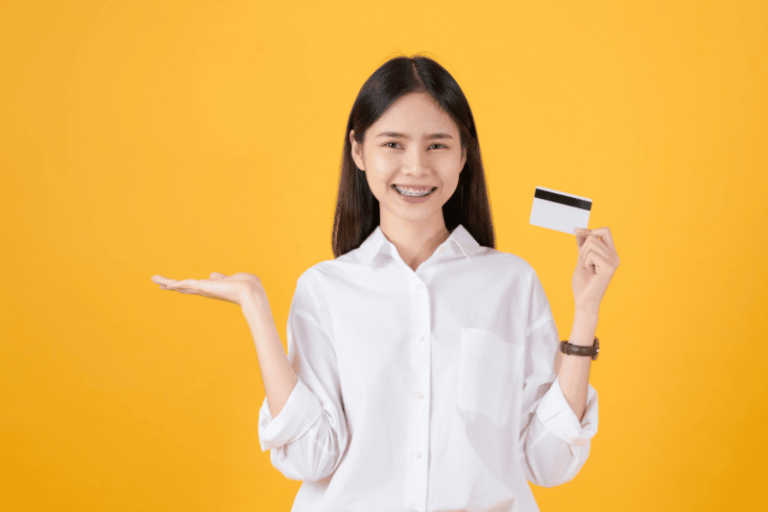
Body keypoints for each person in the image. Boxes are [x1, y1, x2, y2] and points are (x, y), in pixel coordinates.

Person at [151, 55, 620, 512]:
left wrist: (586, 313)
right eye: (392, 144)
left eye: (437, 145)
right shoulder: (325, 289)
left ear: (464, 154)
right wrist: (254, 305)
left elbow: (548, 462)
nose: (415, 167)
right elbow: (311, 457)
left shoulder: (511, 283)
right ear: (358, 150)